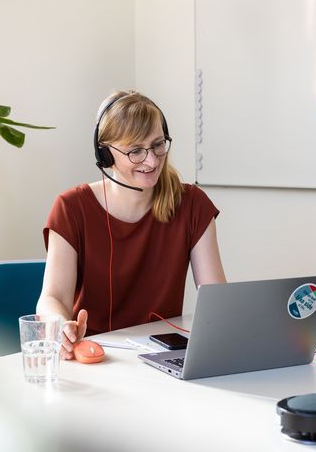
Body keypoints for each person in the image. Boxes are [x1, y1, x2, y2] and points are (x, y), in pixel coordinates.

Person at [37, 91, 226, 359]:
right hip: (95, 358)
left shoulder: (192, 204)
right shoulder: (71, 208)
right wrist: (59, 326)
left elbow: (217, 300)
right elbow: (52, 297)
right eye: (136, 151)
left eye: (158, 144)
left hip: (160, 358)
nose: (152, 161)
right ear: (105, 155)